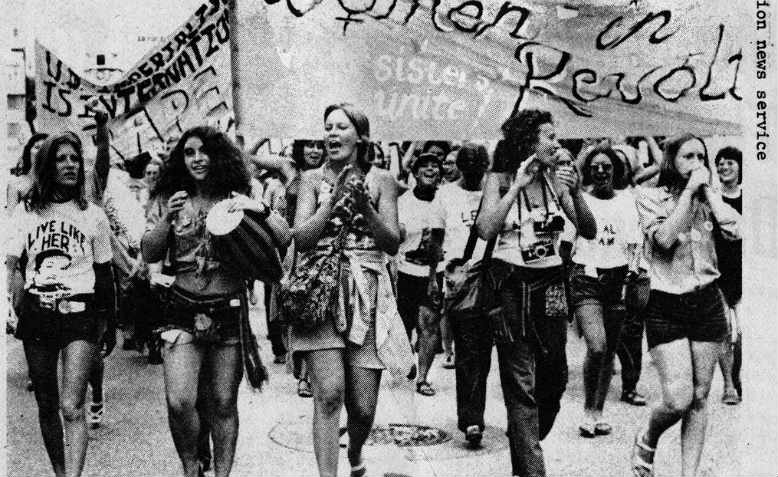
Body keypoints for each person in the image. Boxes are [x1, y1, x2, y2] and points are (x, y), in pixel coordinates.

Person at [475, 109, 597, 477]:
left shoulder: (557, 181)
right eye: (548, 136)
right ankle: (531, 467)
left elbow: (588, 230)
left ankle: (524, 442)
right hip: (509, 287)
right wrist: (515, 187)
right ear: (528, 142)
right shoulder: (499, 178)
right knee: (520, 387)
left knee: (554, 378)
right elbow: (484, 229)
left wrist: (574, 191)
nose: (556, 143)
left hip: (551, 287)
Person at [291, 103, 410, 477]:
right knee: (328, 394)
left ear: (360, 136)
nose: (331, 134)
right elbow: (303, 238)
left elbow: (391, 242)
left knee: (362, 408)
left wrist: (365, 207)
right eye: (327, 127)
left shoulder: (383, 180)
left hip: (367, 292)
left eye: (341, 127)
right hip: (320, 291)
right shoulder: (310, 180)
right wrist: (333, 200)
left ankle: (356, 452)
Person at [141, 126, 265, 477]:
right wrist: (167, 218)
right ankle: (191, 467)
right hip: (181, 308)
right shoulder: (168, 197)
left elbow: (273, 241)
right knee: (180, 401)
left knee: (223, 403)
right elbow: (150, 249)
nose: (197, 159)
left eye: (204, 151)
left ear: (219, 156)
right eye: (189, 152)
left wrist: (253, 209)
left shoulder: (235, 195)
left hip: (227, 309)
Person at [631, 134, 741, 477]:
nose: (695, 162)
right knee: (677, 398)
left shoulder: (710, 196)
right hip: (667, 304)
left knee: (699, 396)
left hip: (706, 299)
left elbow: (735, 229)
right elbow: (664, 239)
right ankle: (648, 437)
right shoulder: (649, 196)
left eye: (700, 156)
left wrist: (706, 191)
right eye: (687, 156)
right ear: (671, 161)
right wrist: (691, 193)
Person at [7, 132, 115, 477]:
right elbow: (14, 264)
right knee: (46, 404)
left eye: (74, 159)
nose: (69, 165)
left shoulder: (93, 215)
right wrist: (13, 304)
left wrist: (108, 322)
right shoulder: (27, 213)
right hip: (38, 312)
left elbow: (104, 275)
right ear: (46, 166)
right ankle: (59, 471)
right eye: (60, 159)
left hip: (80, 313)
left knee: (72, 405)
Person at [570, 146, 642, 437]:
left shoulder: (626, 200)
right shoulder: (580, 199)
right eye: (595, 167)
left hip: (617, 278)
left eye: (607, 167)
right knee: (596, 346)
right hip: (586, 276)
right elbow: (568, 242)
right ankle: (588, 410)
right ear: (587, 171)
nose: (601, 172)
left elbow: (634, 242)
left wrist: (633, 274)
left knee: (610, 349)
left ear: (615, 171)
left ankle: (598, 412)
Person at [438, 142, 490, 445]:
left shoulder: (493, 190)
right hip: (461, 280)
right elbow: (438, 234)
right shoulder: (446, 194)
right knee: (470, 352)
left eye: (477, 169)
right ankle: (472, 418)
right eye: (467, 168)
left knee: (489, 352)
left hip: (495, 277)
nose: (472, 174)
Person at [396, 152, 446, 396]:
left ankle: (423, 377)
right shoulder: (403, 201)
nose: (430, 169)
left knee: (430, 325)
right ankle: (407, 361)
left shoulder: (444, 201)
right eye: (424, 165)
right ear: (415, 173)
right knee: (403, 327)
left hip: (434, 273)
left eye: (435, 165)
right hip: (405, 272)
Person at [714, 146, 743, 404]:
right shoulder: (711, 198)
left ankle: (740, 376)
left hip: (745, 271)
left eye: (729, 163)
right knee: (724, 330)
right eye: (720, 163)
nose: (724, 167)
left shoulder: (750, 196)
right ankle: (729, 385)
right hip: (718, 272)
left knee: (743, 331)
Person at [7, 133, 49, 212]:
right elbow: (10, 216)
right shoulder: (15, 185)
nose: (40, 152)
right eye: (37, 147)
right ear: (29, 151)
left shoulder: (56, 182)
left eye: (45, 149)